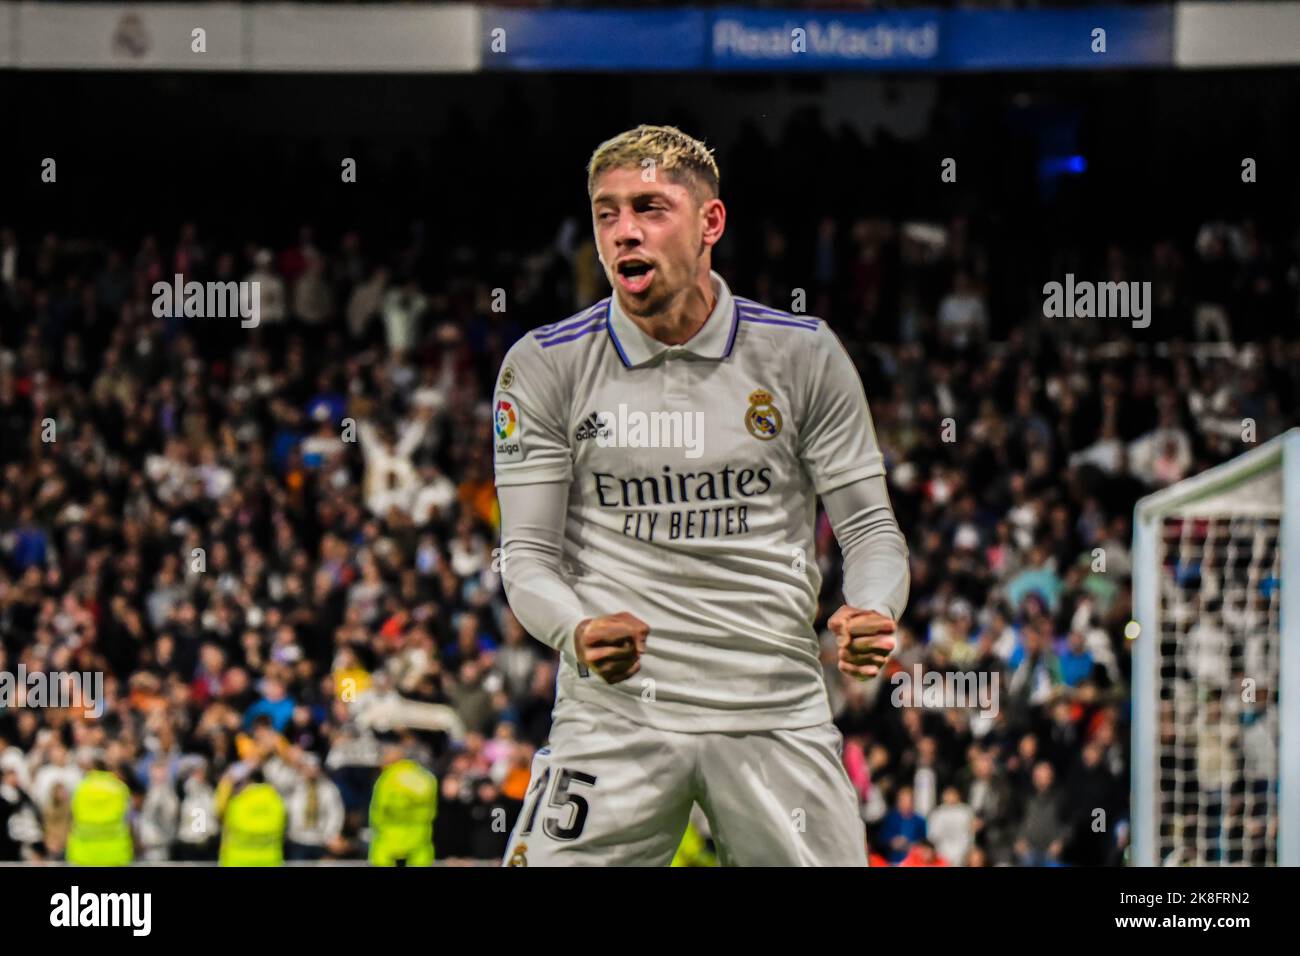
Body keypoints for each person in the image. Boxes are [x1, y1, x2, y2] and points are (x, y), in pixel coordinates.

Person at [494, 124, 909, 866]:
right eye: (607, 212)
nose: (624, 232)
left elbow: (871, 530)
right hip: (613, 717)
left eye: (650, 208)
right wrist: (576, 633)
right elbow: (525, 557)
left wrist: (875, 607)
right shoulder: (545, 364)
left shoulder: (801, 354)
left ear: (710, 223)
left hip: (774, 712)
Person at [368, 749, 437, 866]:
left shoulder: (387, 779)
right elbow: (431, 809)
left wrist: (375, 825)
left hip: (388, 840)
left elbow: (378, 810)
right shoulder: (425, 778)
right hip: (419, 839)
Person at [67, 765, 134, 866]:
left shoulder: (81, 787)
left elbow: (72, 816)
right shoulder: (120, 788)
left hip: (83, 853)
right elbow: (129, 819)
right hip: (115, 853)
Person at [219, 771, 286, 866]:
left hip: (237, 860)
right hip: (270, 861)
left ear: (248, 782)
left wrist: (225, 785)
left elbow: (221, 815)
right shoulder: (276, 801)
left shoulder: (238, 802)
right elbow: (281, 826)